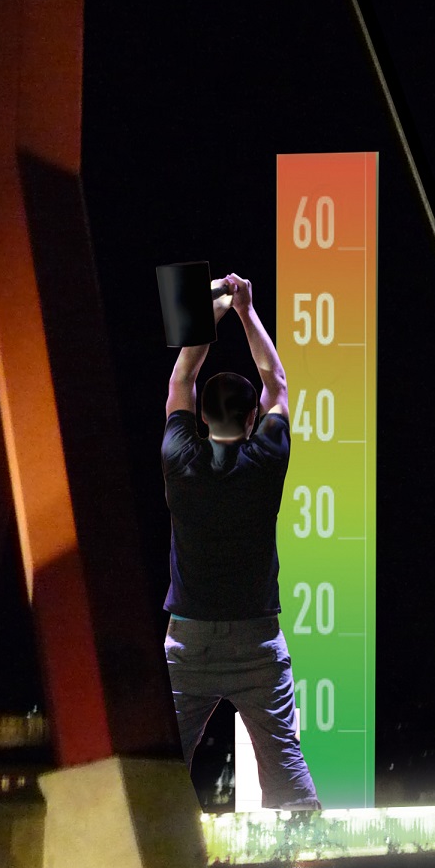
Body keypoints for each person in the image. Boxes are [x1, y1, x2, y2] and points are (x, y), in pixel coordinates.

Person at [161, 272, 319, 810]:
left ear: (200, 418)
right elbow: (277, 383)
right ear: (252, 420)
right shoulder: (266, 459)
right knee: (287, 778)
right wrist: (248, 311)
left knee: (156, 775)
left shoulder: (179, 459)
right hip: (257, 642)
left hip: (189, 643)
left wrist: (214, 311)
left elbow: (182, 378)